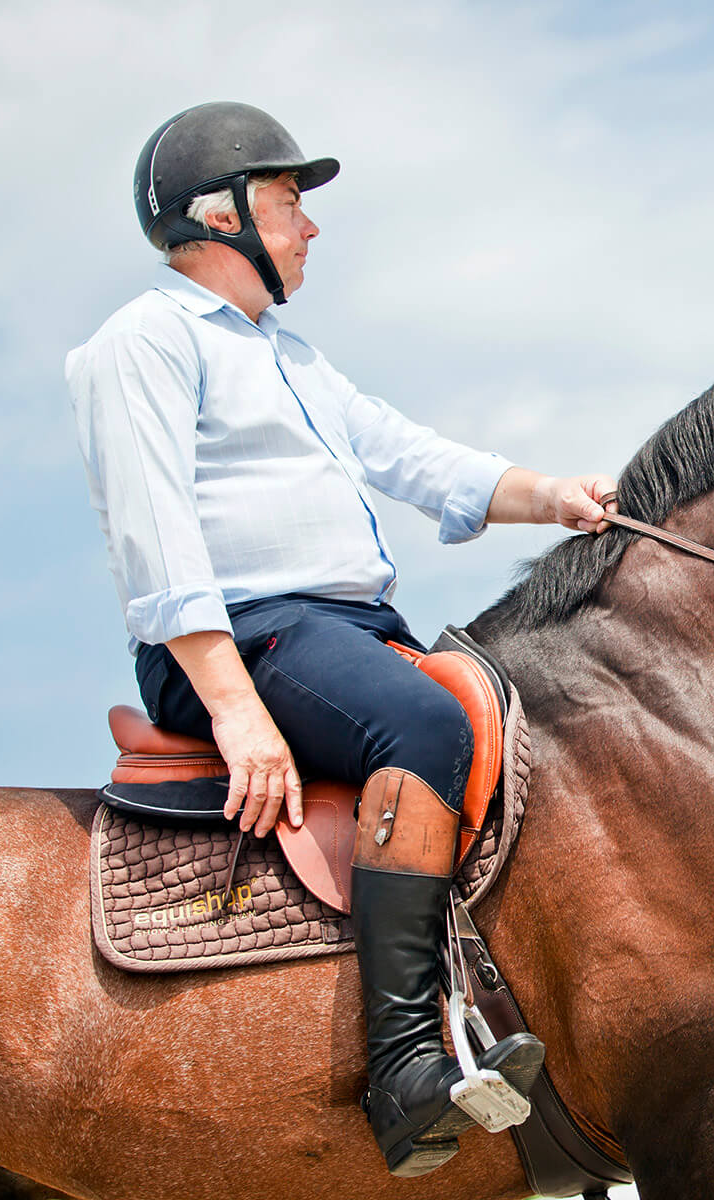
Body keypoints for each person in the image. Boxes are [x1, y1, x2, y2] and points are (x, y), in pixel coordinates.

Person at [65, 101, 613, 1177]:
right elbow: (156, 534)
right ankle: (406, 1068)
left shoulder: (293, 357)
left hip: (341, 630)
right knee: (422, 720)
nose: (311, 228)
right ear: (218, 215)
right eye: (290, 202)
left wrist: (555, 493)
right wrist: (233, 707)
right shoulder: (144, 341)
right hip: (241, 640)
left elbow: (411, 456)